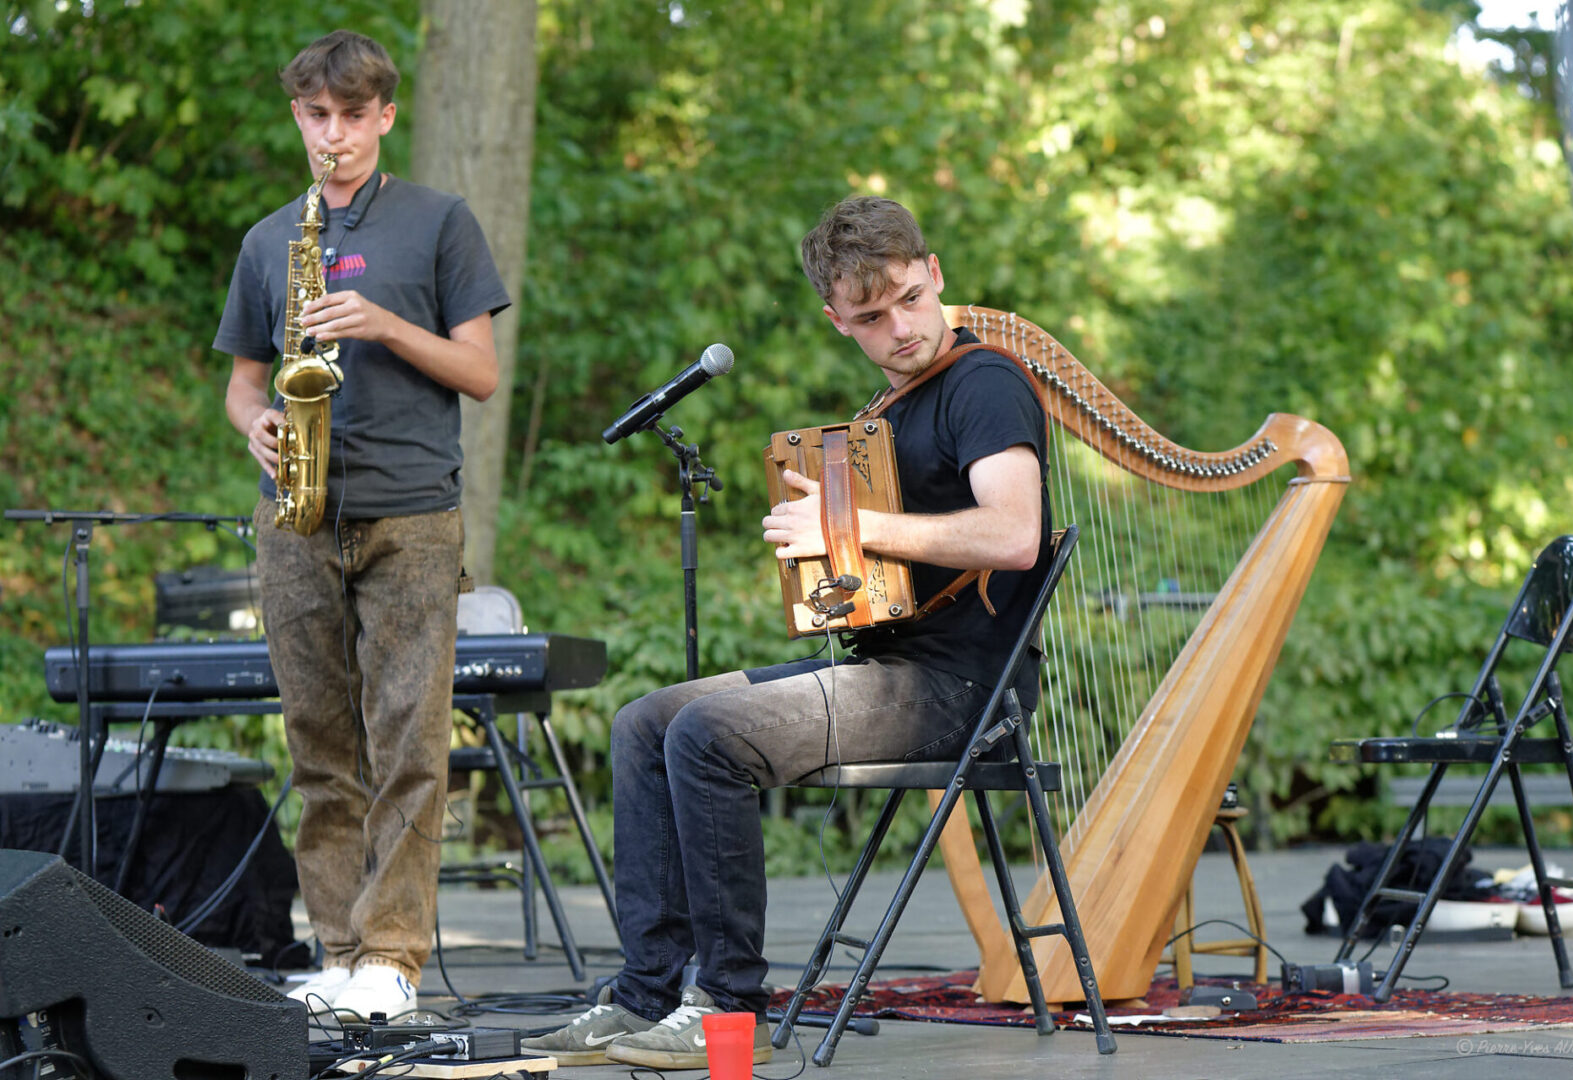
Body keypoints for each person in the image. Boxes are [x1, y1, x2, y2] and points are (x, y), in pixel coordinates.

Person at [526, 195, 1051, 1070]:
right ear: (836, 320)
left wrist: (853, 533)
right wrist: (827, 572)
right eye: (871, 318)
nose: (901, 329)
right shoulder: (886, 408)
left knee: (708, 733)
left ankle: (728, 1010)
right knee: (643, 721)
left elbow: (1012, 534)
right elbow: (881, 579)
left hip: (963, 689)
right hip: (884, 666)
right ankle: (642, 995)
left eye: (911, 300)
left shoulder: (984, 383)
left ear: (935, 276)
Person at [216, 29, 509, 1020]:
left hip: (411, 514)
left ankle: (394, 955)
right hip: (296, 515)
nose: (332, 135)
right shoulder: (270, 240)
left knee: (410, 745)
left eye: (351, 115)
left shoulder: (440, 222)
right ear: (298, 115)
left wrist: (381, 321)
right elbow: (241, 382)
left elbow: (480, 373)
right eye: (315, 115)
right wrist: (254, 421)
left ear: (385, 116)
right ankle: (341, 953)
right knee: (317, 745)